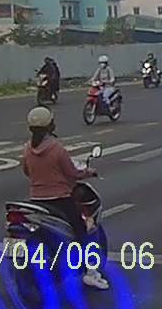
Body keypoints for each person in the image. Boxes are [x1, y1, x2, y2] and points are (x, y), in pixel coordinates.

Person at [21, 106, 109, 290]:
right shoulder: (56, 148)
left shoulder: (27, 148)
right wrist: (88, 172)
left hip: (36, 201)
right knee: (86, 229)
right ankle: (91, 273)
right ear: (50, 125)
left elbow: (27, 171)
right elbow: (72, 173)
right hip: (60, 201)